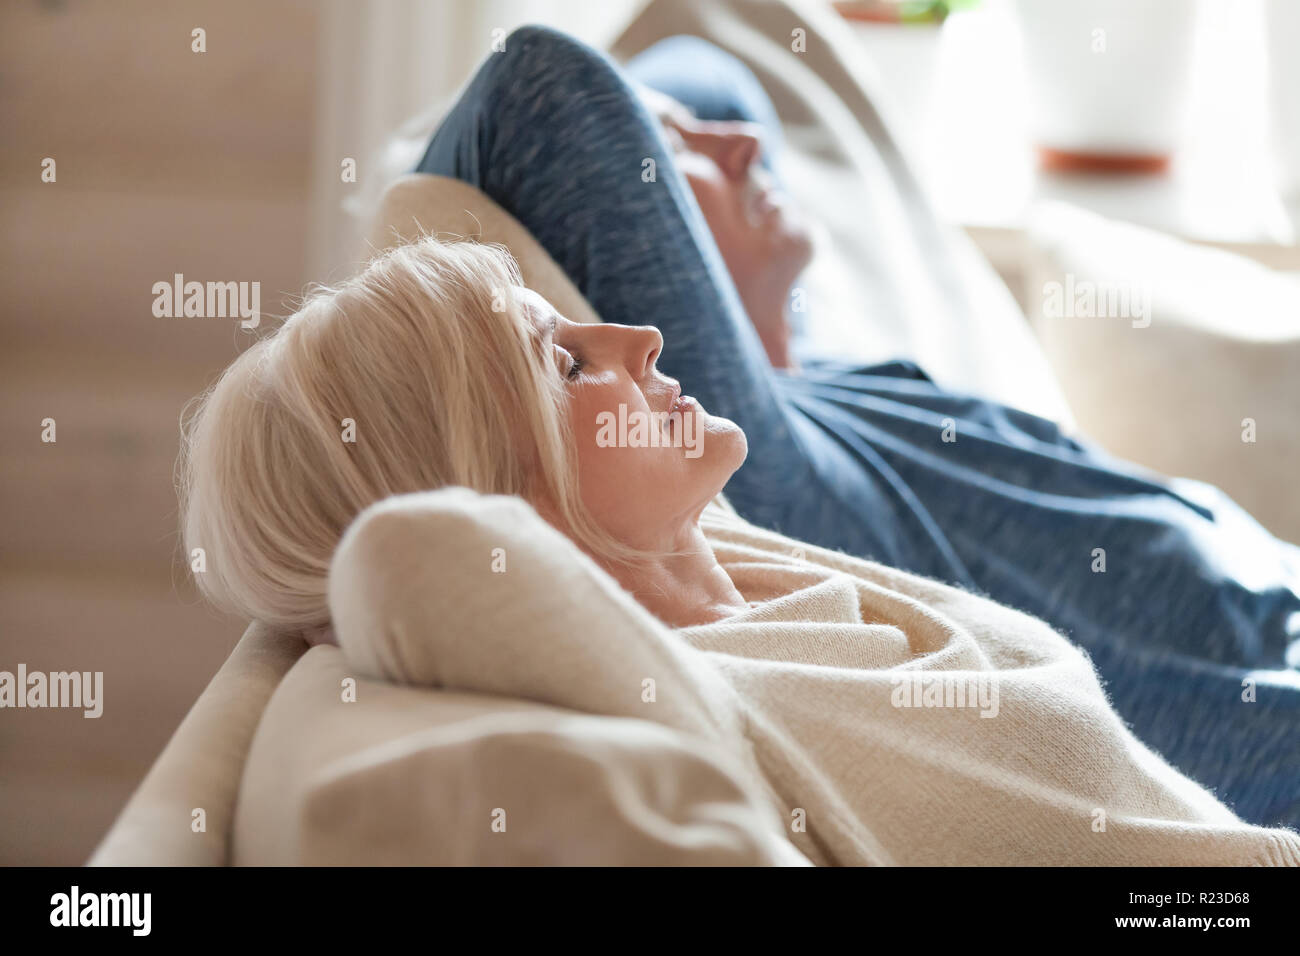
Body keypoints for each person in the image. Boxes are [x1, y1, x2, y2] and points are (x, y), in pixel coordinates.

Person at [410, 27, 1300, 828]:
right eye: (674, 149)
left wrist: (691, 158)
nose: (743, 145)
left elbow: (711, 69)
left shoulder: (824, 367)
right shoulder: (772, 484)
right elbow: (538, 91)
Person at [180, 230, 1299, 865]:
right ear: (494, 497)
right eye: (564, 362)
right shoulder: (683, 688)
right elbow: (400, 561)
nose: (636, 334)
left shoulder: (741, 558)